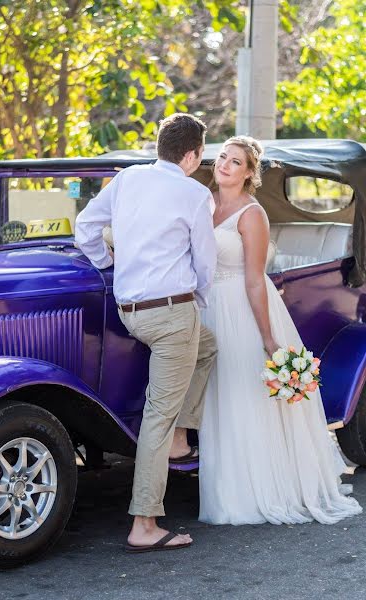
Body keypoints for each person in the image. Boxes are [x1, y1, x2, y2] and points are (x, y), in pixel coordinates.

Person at [198, 135, 362, 525]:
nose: (224, 165)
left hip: (241, 308)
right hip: (207, 307)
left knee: (242, 395)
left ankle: (254, 491)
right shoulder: (205, 203)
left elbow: (255, 280)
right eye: (222, 157)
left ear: (250, 173)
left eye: (235, 161)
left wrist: (270, 339)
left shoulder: (252, 214)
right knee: (216, 398)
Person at [75, 113, 218, 551]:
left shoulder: (127, 179)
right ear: (192, 155)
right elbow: (205, 265)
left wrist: (107, 265)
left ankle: (179, 439)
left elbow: (85, 229)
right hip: (172, 315)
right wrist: (198, 302)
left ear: (160, 145)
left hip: (130, 312)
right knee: (159, 416)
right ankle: (145, 524)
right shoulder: (195, 194)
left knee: (209, 348)